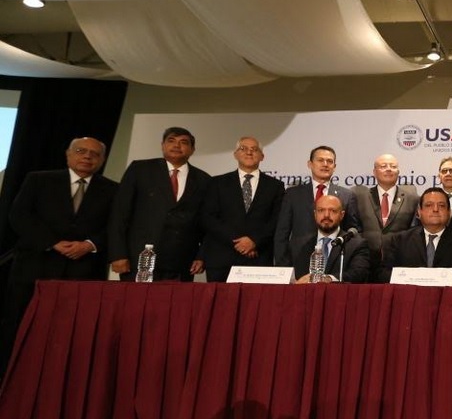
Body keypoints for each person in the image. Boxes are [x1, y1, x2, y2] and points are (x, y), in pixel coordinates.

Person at [3, 137, 118, 372]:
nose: (87, 156)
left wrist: (89, 244)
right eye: (81, 151)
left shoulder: (113, 189)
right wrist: (52, 242)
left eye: (94, 154)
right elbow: (19, 215)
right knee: (20, 324)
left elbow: (117, 226)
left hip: (83, 270)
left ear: (103, 160)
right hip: (35, 266)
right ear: (68, 154)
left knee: (73, 331)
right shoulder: (39, 179)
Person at [108, 127, 211, 281]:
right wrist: (117, 254)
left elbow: (206, 223)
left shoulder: (204, 180)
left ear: (192, 149)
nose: (177, 145)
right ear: (162, 145)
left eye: (184, 142)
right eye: (171, 141)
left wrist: (201, 256)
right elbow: (119, 213)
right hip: (139, 259)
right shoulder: (140, 169)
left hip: (182, 262)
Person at [200, 137, 285, 282]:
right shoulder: (217, 183)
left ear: (262, 156)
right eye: (243, 148)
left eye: (254, 149)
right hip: (222, 257)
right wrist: (239, 243)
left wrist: (254, 241)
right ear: (235, 154)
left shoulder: (275, 186)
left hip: (258, 257)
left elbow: (277, 219)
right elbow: (208, 218)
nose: (249, 152)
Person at [273, 145, 359, 268]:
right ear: (310, 164)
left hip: (334, 263)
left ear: (334, 167)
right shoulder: (293, 194)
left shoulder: (347, 195)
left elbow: (353, 231)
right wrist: (284, 267)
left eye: (330, 161)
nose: (325, 164)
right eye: (320, 160)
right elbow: (282, 233)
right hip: (298, 262)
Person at [378, 188, 452, 285]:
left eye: (441, 205)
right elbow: (384, 274)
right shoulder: (399, 241)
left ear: (449, 212)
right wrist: (414, 278)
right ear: (419, 212)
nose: (435, 209)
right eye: (429, 205)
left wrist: (442, 279)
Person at [291, 194, 371, 283]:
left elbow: (359, 274)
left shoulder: (356, 245)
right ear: (315, 214)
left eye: (333, 211)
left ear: (342, 215)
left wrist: (328, 279)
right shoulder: (299, 244)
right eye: (321, 210)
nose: (326, 215)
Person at [352, 153, 418, 257]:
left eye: (393, 166)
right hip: (366, 257)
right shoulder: (360, 198)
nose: (389, 169)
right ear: (374, 172)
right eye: (383, 166)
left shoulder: (412, 199)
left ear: (398, 172)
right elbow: (355, 228)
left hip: (400, 257)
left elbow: (414, 231)